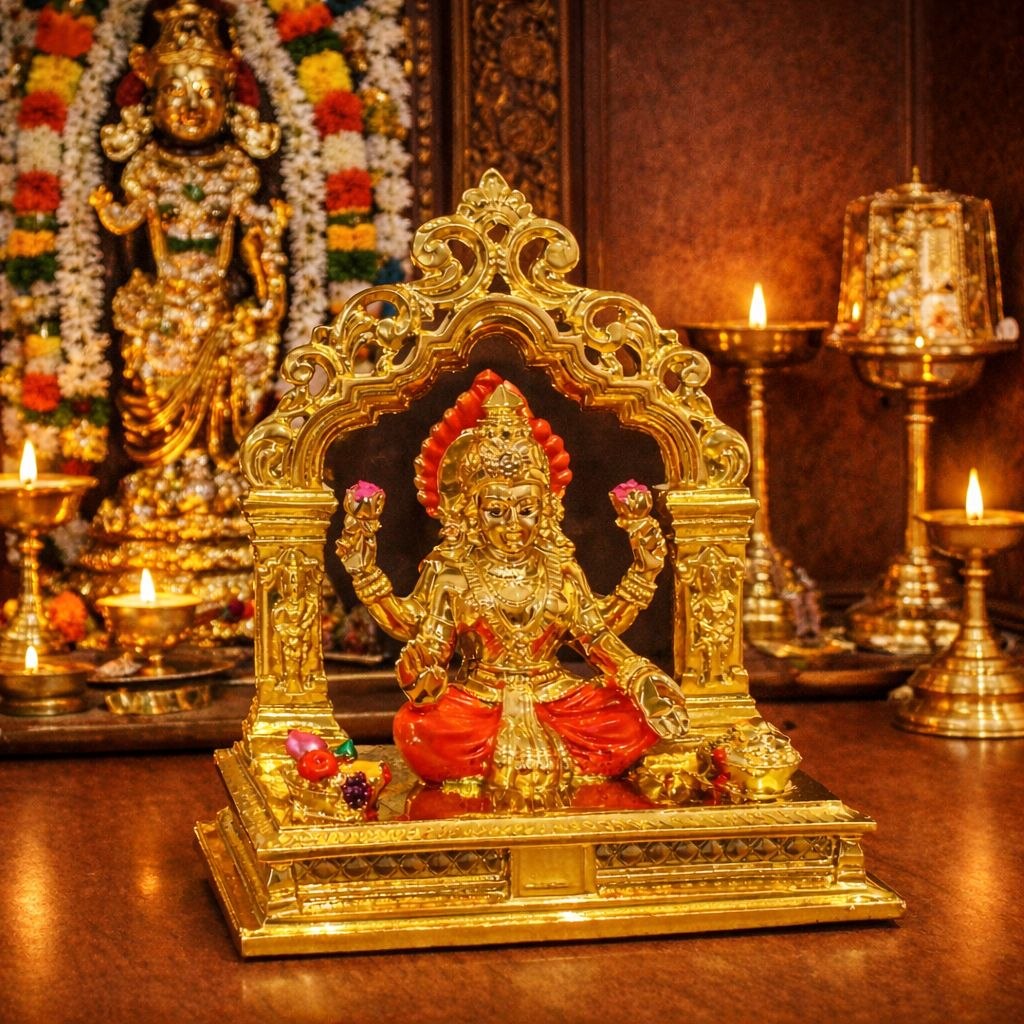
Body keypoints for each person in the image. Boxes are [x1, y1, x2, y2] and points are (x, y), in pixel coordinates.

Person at [337, 370, 689, 809]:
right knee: (419, 728)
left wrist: (640, 672)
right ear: (469, 511)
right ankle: (527, 765)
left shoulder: (558, 568)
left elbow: (596, 636)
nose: (513, 525)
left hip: (556, 695)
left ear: (545, 509)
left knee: (630, 718)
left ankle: (555, 760)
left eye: (526, 509)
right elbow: (425, 639)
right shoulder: (454, 572)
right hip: (481, 702)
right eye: (497, 510)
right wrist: (420, 672)